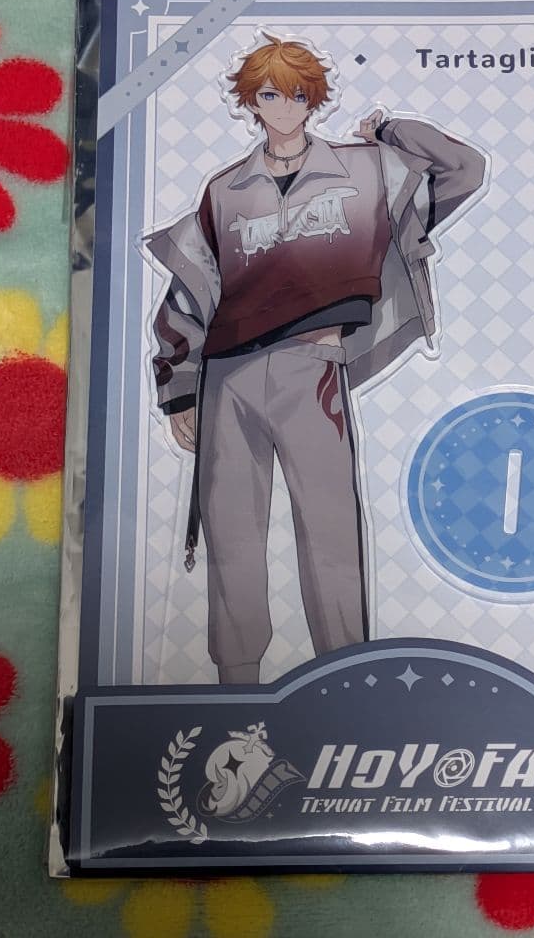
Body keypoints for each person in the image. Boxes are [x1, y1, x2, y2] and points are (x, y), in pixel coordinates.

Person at [145, 34, 486, 684]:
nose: (284, 107)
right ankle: (235, 685)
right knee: (232, 532)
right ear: (251, 102)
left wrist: (389, 129)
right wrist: (179, 387)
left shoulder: (368, 170)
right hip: (227, 379)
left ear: (313, 100)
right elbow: (191, 291)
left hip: (313, 369)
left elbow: (464, 170)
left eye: (297, 94)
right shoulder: (226, 189)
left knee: (330, 527)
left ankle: (344, 677)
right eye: (269, 94)